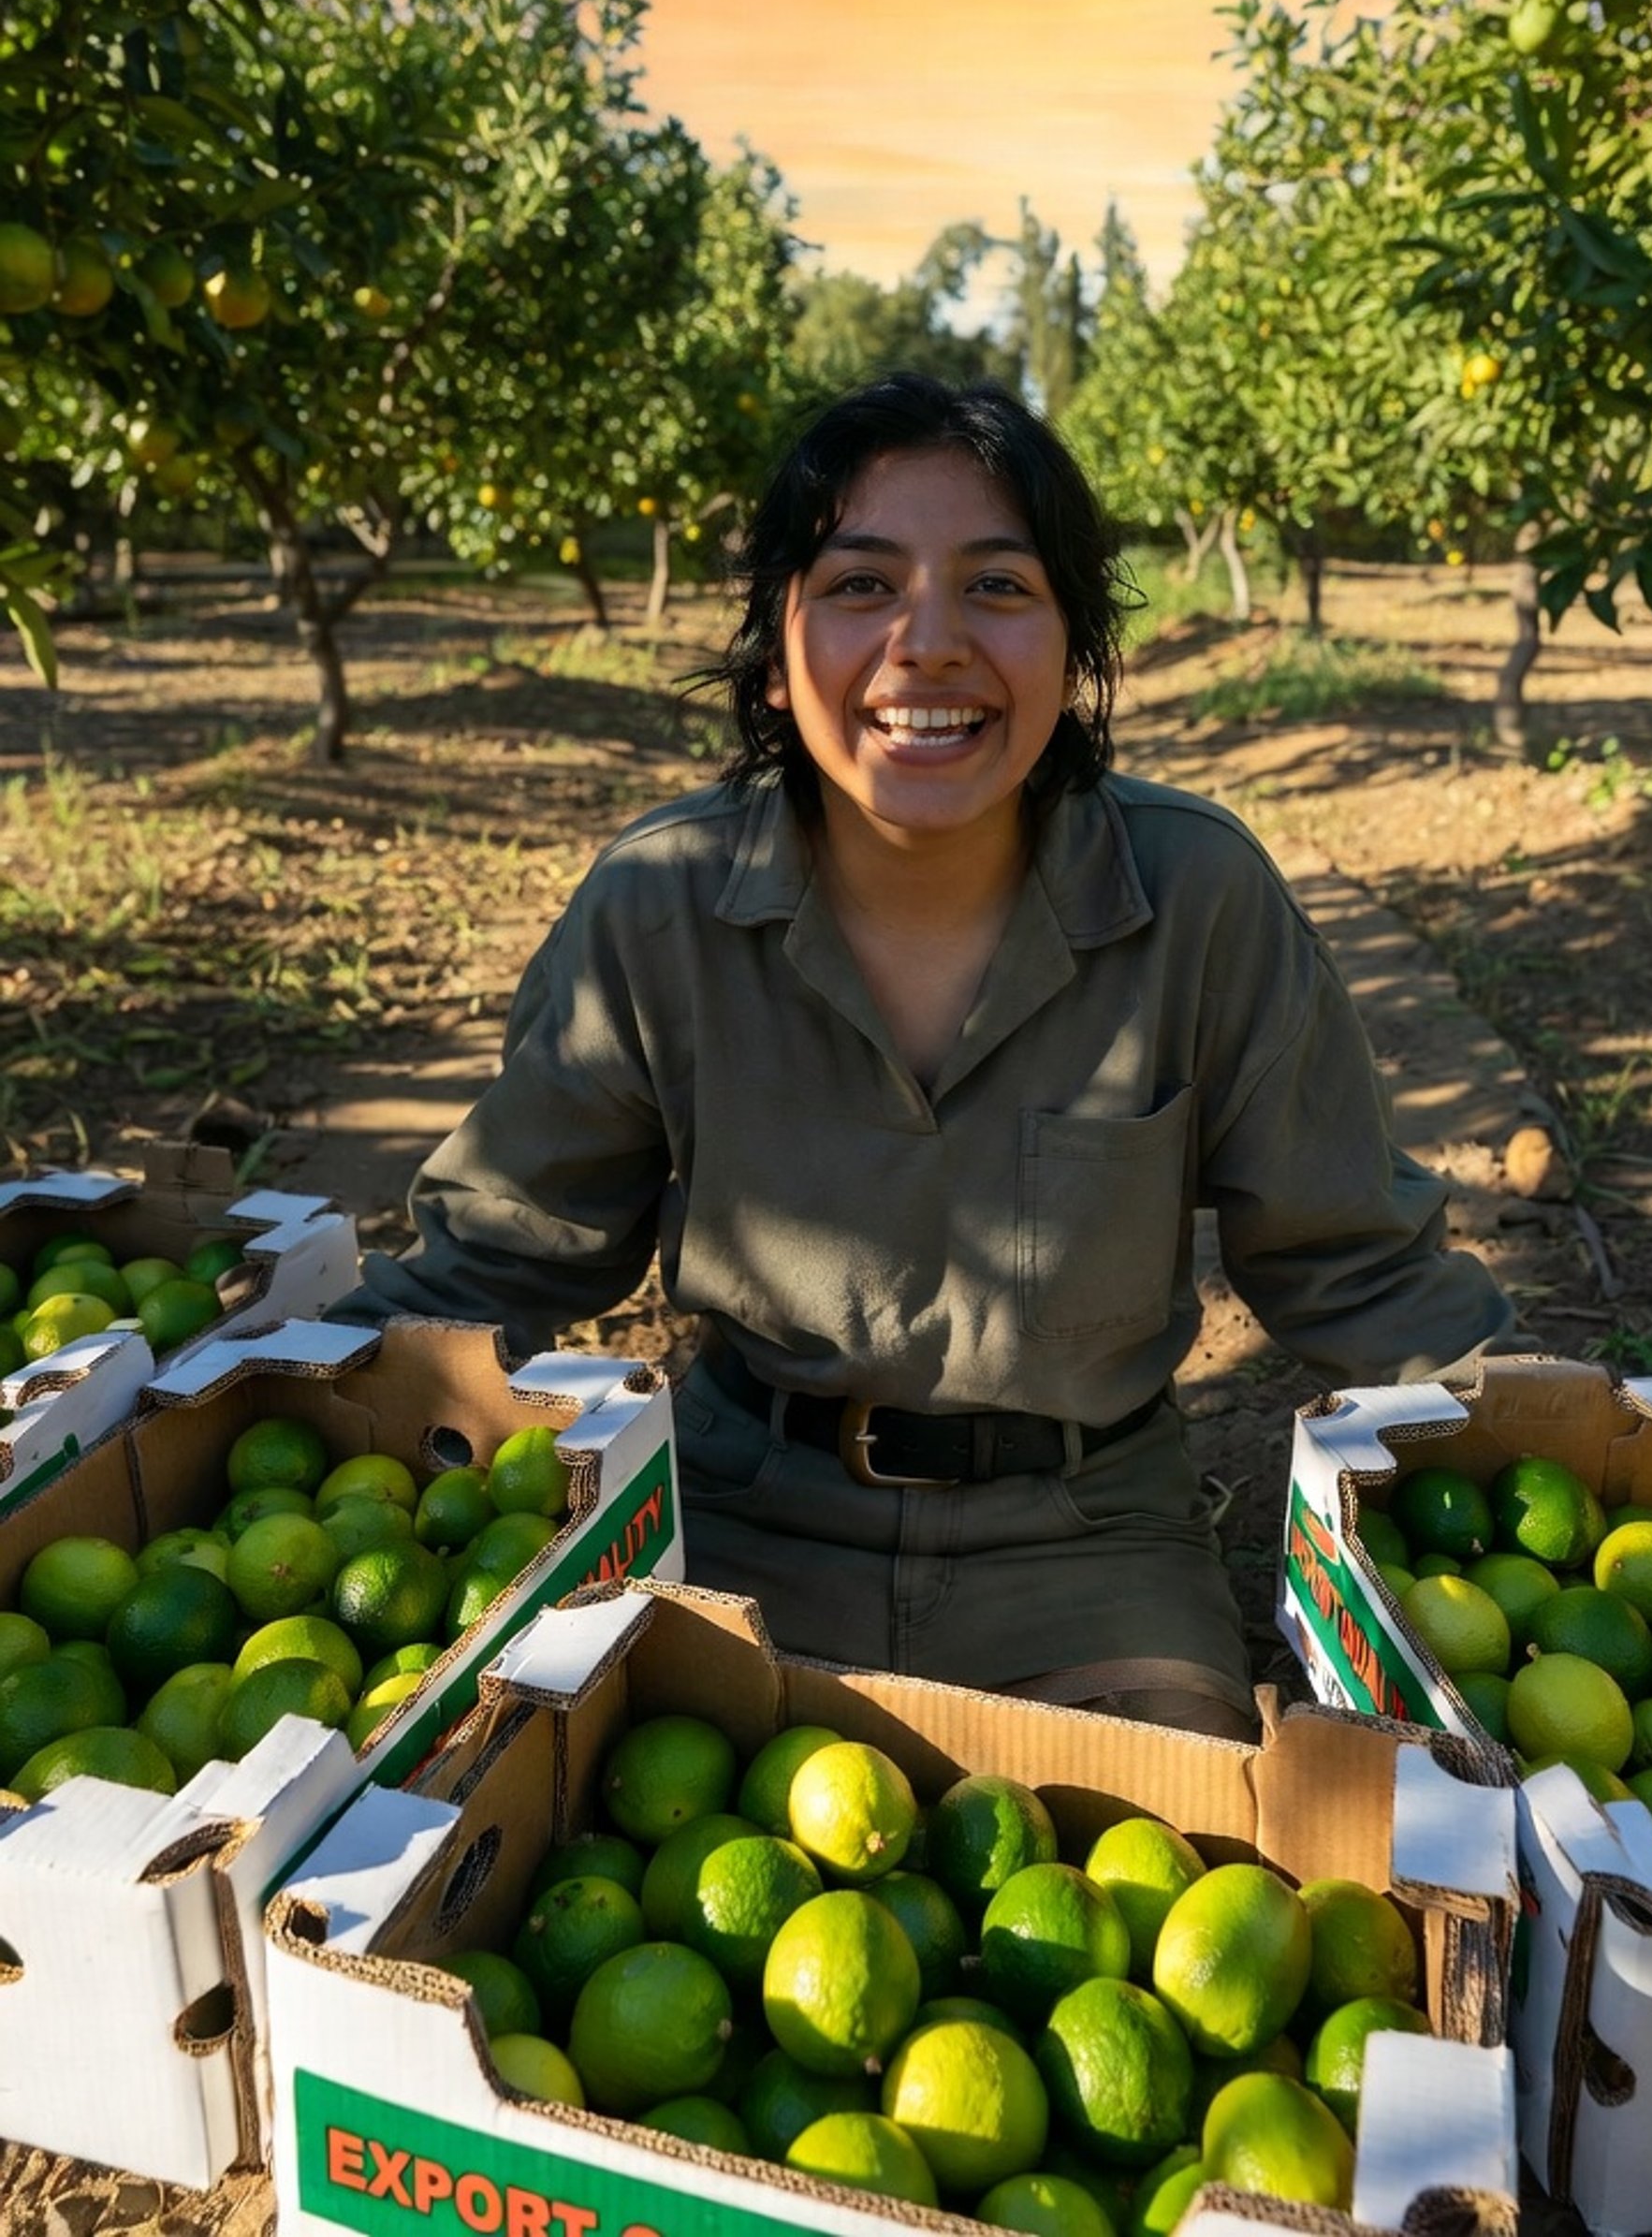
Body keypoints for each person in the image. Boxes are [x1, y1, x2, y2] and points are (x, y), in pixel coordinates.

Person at [331, 373, 1521, 1738]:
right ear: (775, 655)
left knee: (1155, 1882)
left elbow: (1356, 1262)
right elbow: (500, 1257)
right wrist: (275, 1397)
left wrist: (1573, 1454)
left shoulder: (1194, 900)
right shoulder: (662, 907)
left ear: (1073, 647)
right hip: (738, 1523)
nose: (928, 643)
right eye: (859, 585)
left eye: (998, 587)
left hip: (1088, 1541)